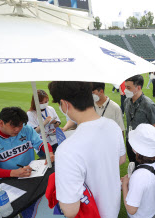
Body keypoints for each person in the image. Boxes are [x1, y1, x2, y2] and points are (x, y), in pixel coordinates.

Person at [48, 81, 126, 218]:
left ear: (65, 104)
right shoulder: (112, 126)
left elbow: (70, 210)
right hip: (113, 206)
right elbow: (121, 159)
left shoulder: (66, 150)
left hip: (92, 212)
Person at [0, 107, 55, 186]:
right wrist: (13, 173)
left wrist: (50, 153)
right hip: (1, 184)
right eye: (13, 126)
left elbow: (41, 143)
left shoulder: (26, 129)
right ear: (1, 123)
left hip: (28, 175)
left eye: (20, 125)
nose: (17, 129)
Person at [121, 124, 155, 218]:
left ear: (135, 149)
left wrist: (125, 185)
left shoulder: (139, 176)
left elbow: (131, 209)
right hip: (151, 209)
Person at [124, 75, 155, 163]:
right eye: (125, 87)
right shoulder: (127, 101)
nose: (125, 90)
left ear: (138, 87)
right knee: (132, 164)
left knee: (141, 167)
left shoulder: (149, 105)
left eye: (129, 88)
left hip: (143, 143)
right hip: (129, 139)